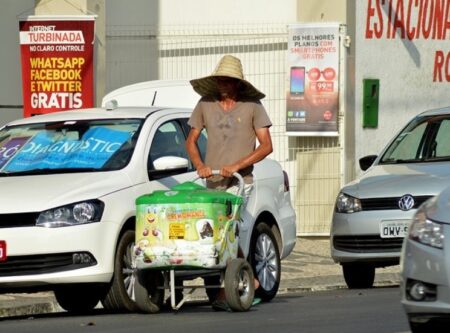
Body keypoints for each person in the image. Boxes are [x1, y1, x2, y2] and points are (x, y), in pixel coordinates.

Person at [185, 54, 273, 310]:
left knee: (229, 229)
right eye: (220, 79)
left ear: (237, 83)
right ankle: (250, 279)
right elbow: (191, 140)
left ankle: (229, 288)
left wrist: (238, 165)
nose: (224, 84)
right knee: (217, 234)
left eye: (228, 80)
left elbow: (266, 145)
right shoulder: (205, 104)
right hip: (212, 180)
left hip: (239, 180)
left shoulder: (252, 105)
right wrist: (200, 165)